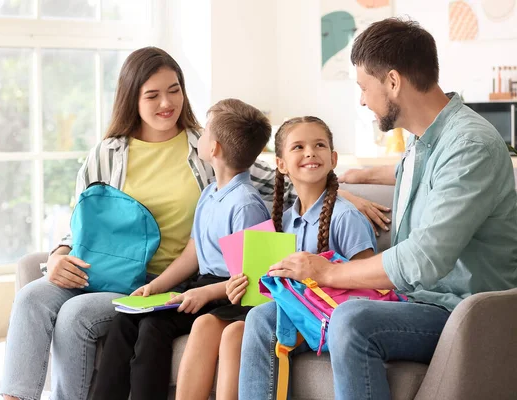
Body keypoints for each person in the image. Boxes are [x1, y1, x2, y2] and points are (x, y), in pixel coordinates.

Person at [239, 18, 517, 400]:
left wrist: (329, 272)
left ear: (392, 81)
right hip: (416, 299)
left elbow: (424, 260)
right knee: (265, 318)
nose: (362, 100)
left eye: (363, 87)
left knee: (352, 319)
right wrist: (359, 177)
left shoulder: (471, 146)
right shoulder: (424, 143)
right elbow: (428, 179)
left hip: (461, 311)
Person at [0, 48, 288, 400]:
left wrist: (341, 191)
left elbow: (279, 180)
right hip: (101, 268)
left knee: (76, 315)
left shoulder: (206, 144)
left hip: (158, 279)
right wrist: (59, 254)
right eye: (152, 95)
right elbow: (80, 220)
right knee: (31, 296)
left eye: (175, 89)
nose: (167, 103)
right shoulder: (107, 153)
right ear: (131, 97)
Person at [176, 116, 377, 400]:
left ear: (332, 158)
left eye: (319, 145)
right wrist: (237, 287)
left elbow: (370, 285)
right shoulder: (283, 220)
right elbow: (268, 289)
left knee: (236, 335)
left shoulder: (345, 217)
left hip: (326, 319)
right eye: (298, 147)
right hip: (287, 311)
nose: (310, 152)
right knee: (208, 324)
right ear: (280, 164)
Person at [90, 98, 273, 400]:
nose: (198, 137)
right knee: (125, 319)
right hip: (200, 287)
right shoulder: (210, 194)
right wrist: (155, 286)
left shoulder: (245, 204)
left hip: (228, 297)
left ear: (213, 149)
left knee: (153, 328)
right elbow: (193, 252)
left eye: (204, 133)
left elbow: (252, 279)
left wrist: (203, 294)